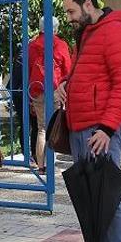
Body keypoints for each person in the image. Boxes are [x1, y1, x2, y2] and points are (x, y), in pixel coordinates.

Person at [55, 0, 121, 242]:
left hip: (99, 130)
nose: (69, 18)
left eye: (71, 11)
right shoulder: (87, 33)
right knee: (92, 197)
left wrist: (108, 128)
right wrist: (65, 84)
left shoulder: (113, 30)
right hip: (82, 127)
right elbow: (88, 72)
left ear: (88, 4)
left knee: (109, 198)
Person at [27, 16, 72, 172]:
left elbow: (28, 68)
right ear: (55, 28)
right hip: (55, 88)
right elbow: (68, 69)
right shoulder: (60, 44)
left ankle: (41, 166)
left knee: (41, 128)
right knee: (53, 126)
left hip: (37, 88)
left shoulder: (32, 46)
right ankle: (51, 165)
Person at [7, 49, 37, 167]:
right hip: (22, 92)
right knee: (30, 123)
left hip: (23, 91)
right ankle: (30, 156)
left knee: (30, 123)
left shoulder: (24, 53)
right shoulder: (26, 54)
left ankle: (32, 155)